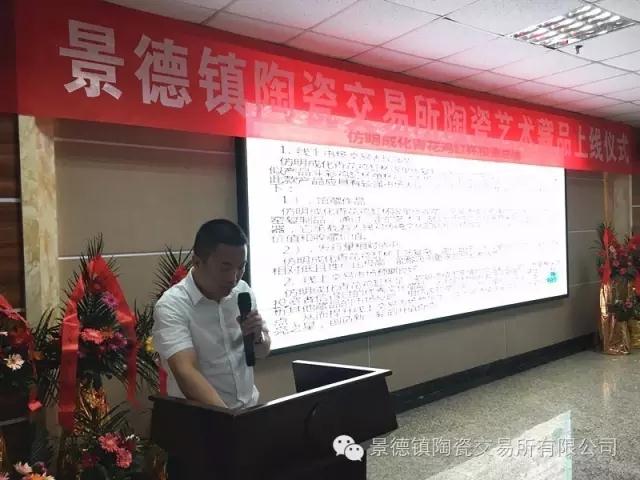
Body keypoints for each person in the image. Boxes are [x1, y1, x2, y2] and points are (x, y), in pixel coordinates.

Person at [153, 219, 271, 411]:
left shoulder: (243, 292)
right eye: (225, 268)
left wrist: (258, 336)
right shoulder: (172, 306)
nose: (234, 277)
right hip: (202, 419)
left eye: (241, 267)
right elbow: (186, 372)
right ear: (197, 262)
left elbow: (262, 352)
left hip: (248, 410)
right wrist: (230, 419)